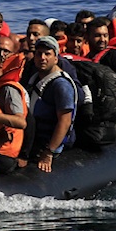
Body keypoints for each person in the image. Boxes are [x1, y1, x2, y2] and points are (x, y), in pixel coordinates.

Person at [25, 36, 77, 173]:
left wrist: (49, 152)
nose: (42, 58)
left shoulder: (61, 85)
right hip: (35, 138)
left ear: (56, 58)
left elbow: (65, 121)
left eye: (47, 54)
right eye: (39, 54)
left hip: (49, 143)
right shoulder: (34, 78)